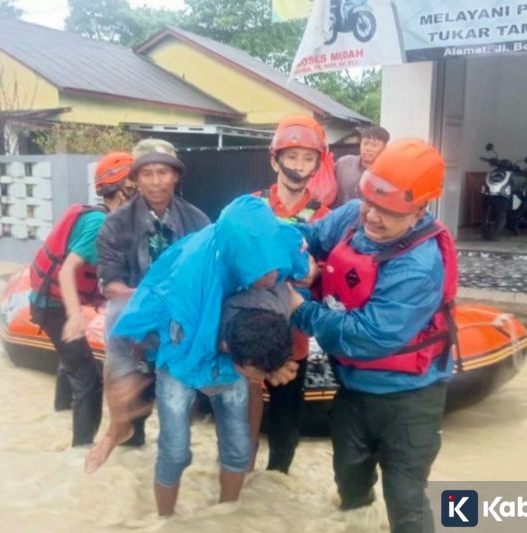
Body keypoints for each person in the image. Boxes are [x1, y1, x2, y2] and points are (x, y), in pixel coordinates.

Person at [288, 139, 458, 533]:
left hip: (409, 400)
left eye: (389, 211)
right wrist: (300, 262)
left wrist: (299, 309)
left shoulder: (419, 266)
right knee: (349, 483)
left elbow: (367, 336)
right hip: (352, 389)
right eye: (370, 202)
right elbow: (307, 237)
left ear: (419, 210)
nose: (373, 217)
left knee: (406, 502)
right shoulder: (354, 215)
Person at [108, 195, 311, 516]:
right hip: (182, 350)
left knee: (238, 447)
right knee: (175, 451)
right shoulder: (191, 279)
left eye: (274, 267)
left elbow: (299, 270)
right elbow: (162, 339)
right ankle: (165, 520)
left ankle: (225, 518)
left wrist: (270, 361)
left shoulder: (277, 250)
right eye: (261, 271)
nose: (271, 277)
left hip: (238, 347)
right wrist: (134, 378)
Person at [87, 138, 210, 463]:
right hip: (133, 316)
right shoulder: (115, 224)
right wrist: (150, 299)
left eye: (163, 172)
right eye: (147, 173)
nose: (156, 181)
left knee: (179, 418)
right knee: (116, 321)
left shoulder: (198, 222)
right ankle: (119, 428)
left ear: (175, 176)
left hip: (180, 318)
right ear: (135, 179)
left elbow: (207, 278)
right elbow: (110, 284)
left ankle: (175, 448)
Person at [29, 151, 137, 447]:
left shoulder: (104, 218)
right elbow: (67, 271)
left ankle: (60, 413)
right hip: (54, 306)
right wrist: (76, 316)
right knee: (89, 378)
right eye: (135, 187)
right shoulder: (99, 224)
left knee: (71, 361)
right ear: (122, 191)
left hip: (50, 300)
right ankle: (80, 452)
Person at [251, 114, 331, 474]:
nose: (299, 166)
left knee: (285, 423)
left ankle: (278, 485)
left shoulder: (326, 217)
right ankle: (236, 486)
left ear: (317, 164)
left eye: (308, 158)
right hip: (247, 331)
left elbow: (331, 274)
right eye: (292, 157)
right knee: (239, 417)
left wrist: (316, 273)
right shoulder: (250, 207)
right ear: (275, 161)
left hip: (294, 337)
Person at [333, 125, 390, 208]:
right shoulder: (344, 163)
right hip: (340, 213)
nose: (368, 148)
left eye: (374, 145)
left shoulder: (388, 172)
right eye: (365, 144)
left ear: (384, 148)